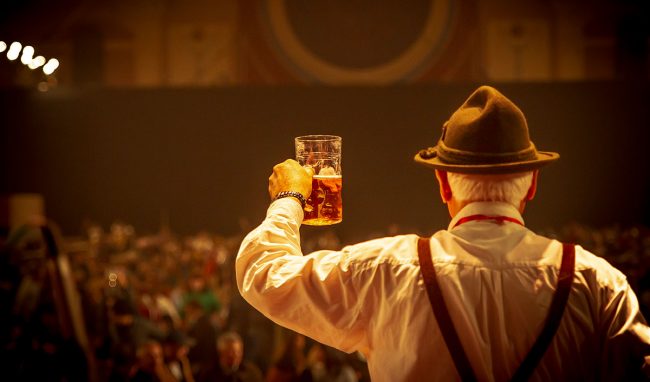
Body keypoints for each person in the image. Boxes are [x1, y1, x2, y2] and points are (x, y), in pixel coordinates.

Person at [236, 85, 650, 381]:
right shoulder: (598, 285)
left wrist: (290, 196)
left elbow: (264, 275)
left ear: (444, 185)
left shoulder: (386, 271)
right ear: (532, 185)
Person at [197, 331, 263, 382]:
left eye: (238, 351)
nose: (235, 355)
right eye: (230, 351)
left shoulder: (252, 373)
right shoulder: (208, 373)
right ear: (220, 351)